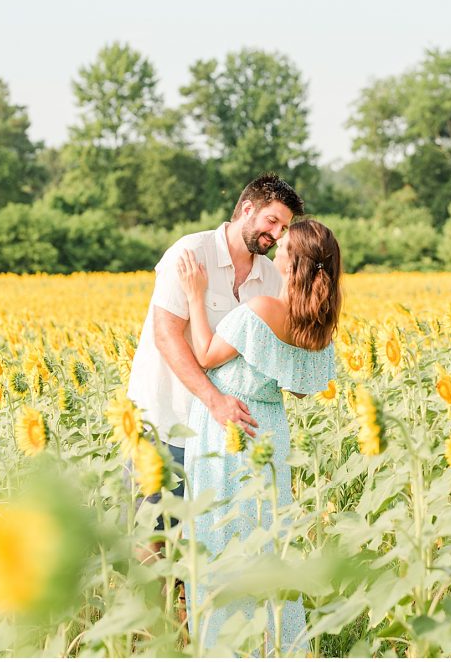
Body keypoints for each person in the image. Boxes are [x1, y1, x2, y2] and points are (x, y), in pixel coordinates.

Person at [125, 173, 305, 597]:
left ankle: (197, 634)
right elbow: (166, 335)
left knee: (210, 536)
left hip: (224, 434)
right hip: (165, 417)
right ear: (247, 209)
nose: (276, 235)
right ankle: (160, 632)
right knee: (154, 532)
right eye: (272, 222)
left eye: (283, 229)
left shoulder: (269, 277)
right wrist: (214, 401)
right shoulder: (190, 254)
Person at [175, 219, 342, 654]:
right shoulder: (316, 326)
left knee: (220, 540)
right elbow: (303, 387)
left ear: (291, 263)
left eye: (282, 245)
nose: (276, 249)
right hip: (270, 431)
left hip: (228, 430)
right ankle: (271, 646)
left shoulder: (262, 310)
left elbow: (207, 355)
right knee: (266, 542)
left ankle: (223, 649)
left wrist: (195, 295)